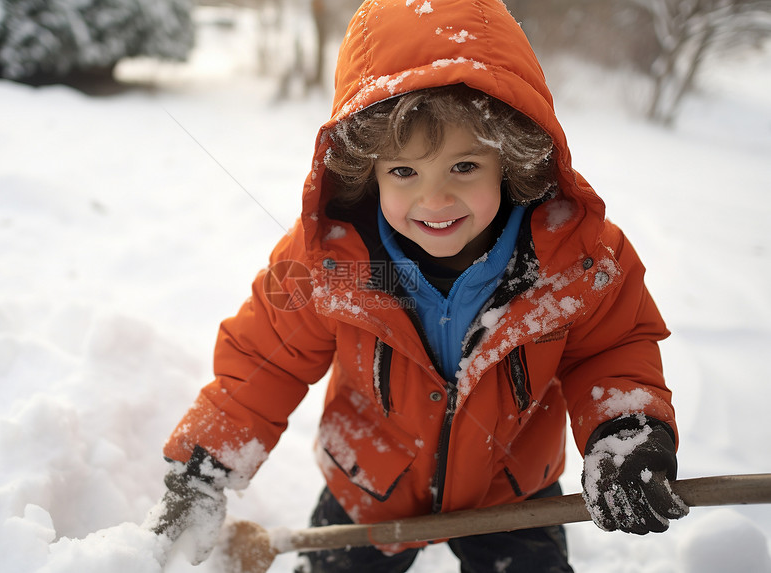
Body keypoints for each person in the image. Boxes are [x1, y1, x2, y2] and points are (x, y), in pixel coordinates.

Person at [143, 1, 689, 571]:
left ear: (510, 159)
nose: (434, 200)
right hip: (369, 487)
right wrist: (201, 470)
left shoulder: (577, 259)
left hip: (512, 489)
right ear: (367, 171)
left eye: (464, 167)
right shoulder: (327, 263)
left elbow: (612, 349)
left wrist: (626, 432)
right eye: (404, 172)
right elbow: (264, 364)